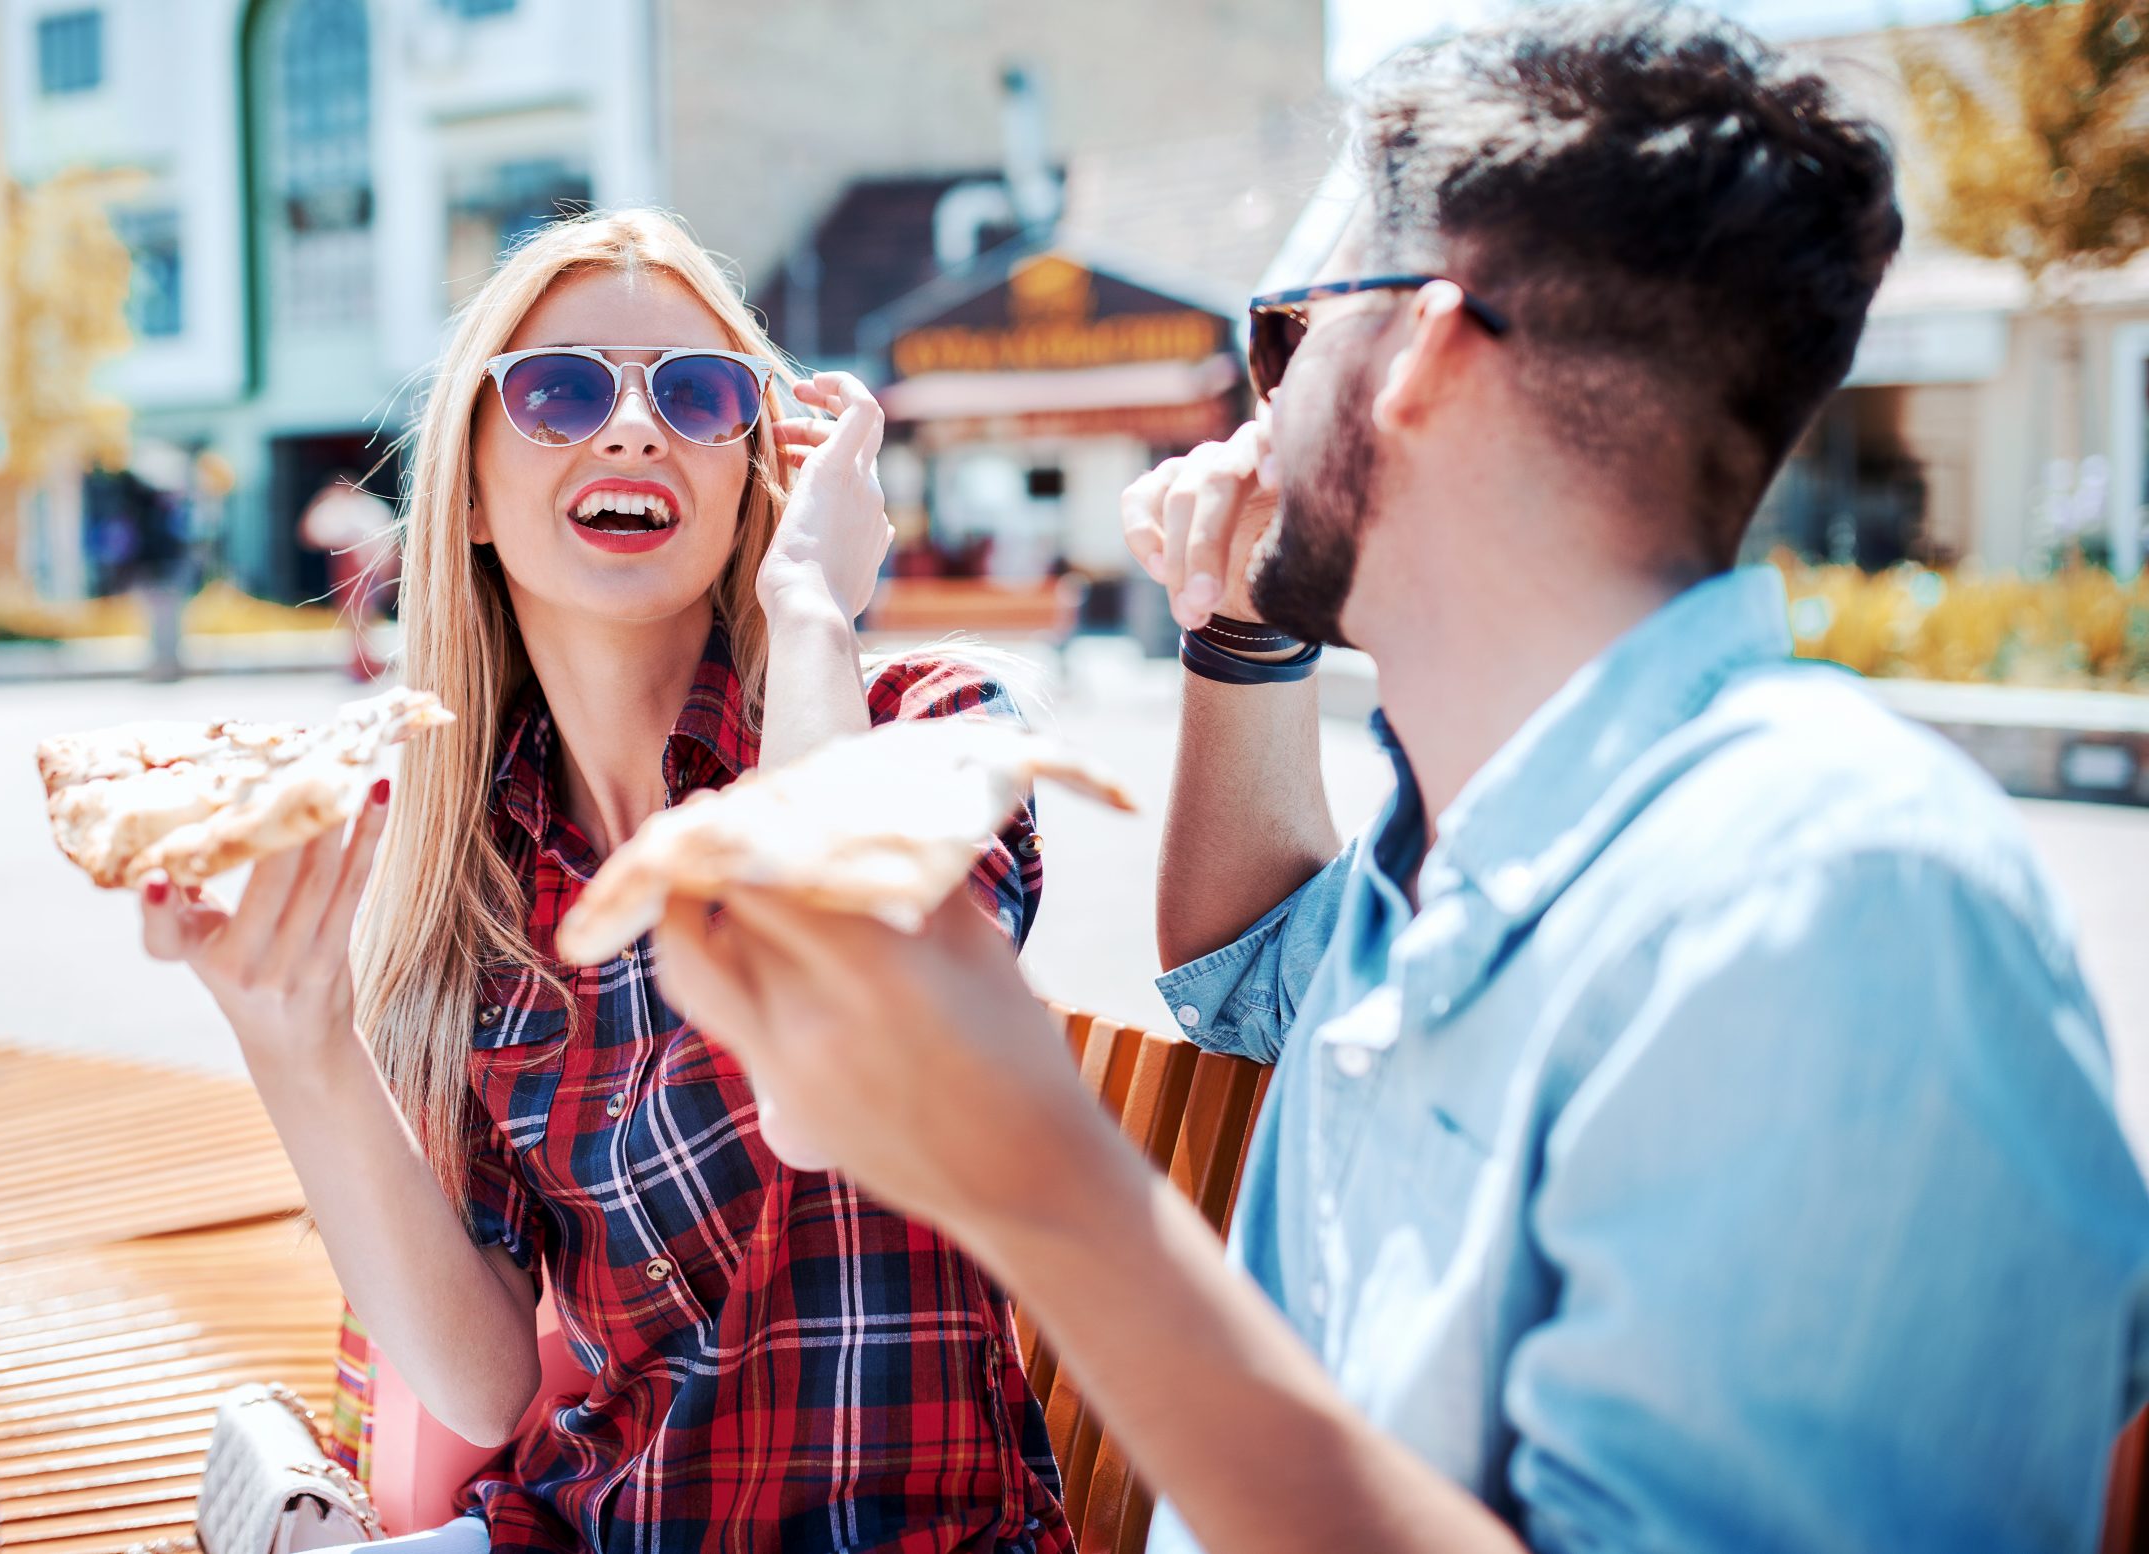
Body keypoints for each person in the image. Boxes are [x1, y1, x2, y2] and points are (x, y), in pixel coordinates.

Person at [648, 9, 2149, 1553]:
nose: (1247, 419)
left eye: (1283, 336)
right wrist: (1239, 644)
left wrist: (1034, 1170)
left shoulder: (1828, 909)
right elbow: (1242, 963)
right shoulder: (1465, 850)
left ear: (1421, 353)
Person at [140, 210, 1071, 1553]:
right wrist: (296, 1041)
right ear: (465, 492)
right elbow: (480, 1376)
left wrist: (810, 601)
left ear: (761, 473)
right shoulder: (477, 877)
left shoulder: (930, 728)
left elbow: (833, 1080)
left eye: (698, 396)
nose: (632, 429)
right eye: (562, 389)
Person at [302, 474, 404, 682]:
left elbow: (388, 546)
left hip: (366, 572)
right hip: (351, 573)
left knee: (363, 618)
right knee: (355, 619)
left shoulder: (366, 510)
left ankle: (365, 663)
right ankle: (362, 662)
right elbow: (309, 535)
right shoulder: (341, 510)